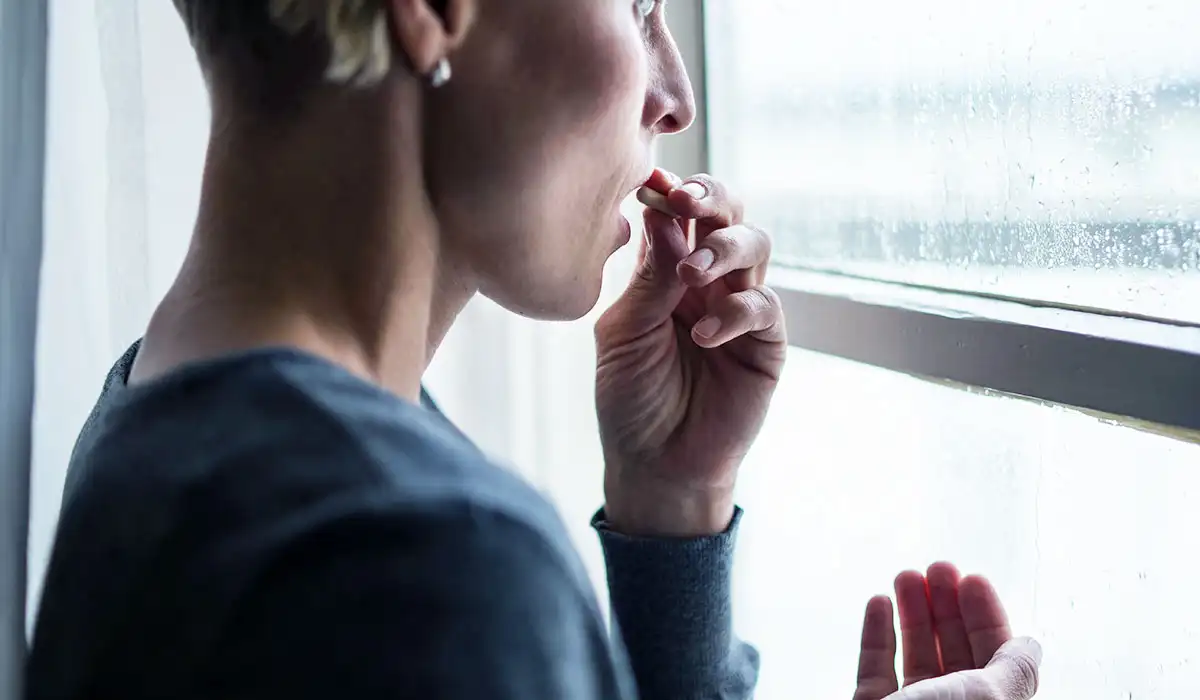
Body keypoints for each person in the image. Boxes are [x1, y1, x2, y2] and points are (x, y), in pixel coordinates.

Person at [26, 1, 1041, 699]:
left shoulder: (158, 412)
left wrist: (673, 500)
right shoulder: (422, 555)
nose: (675, 93)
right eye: (638, 1)